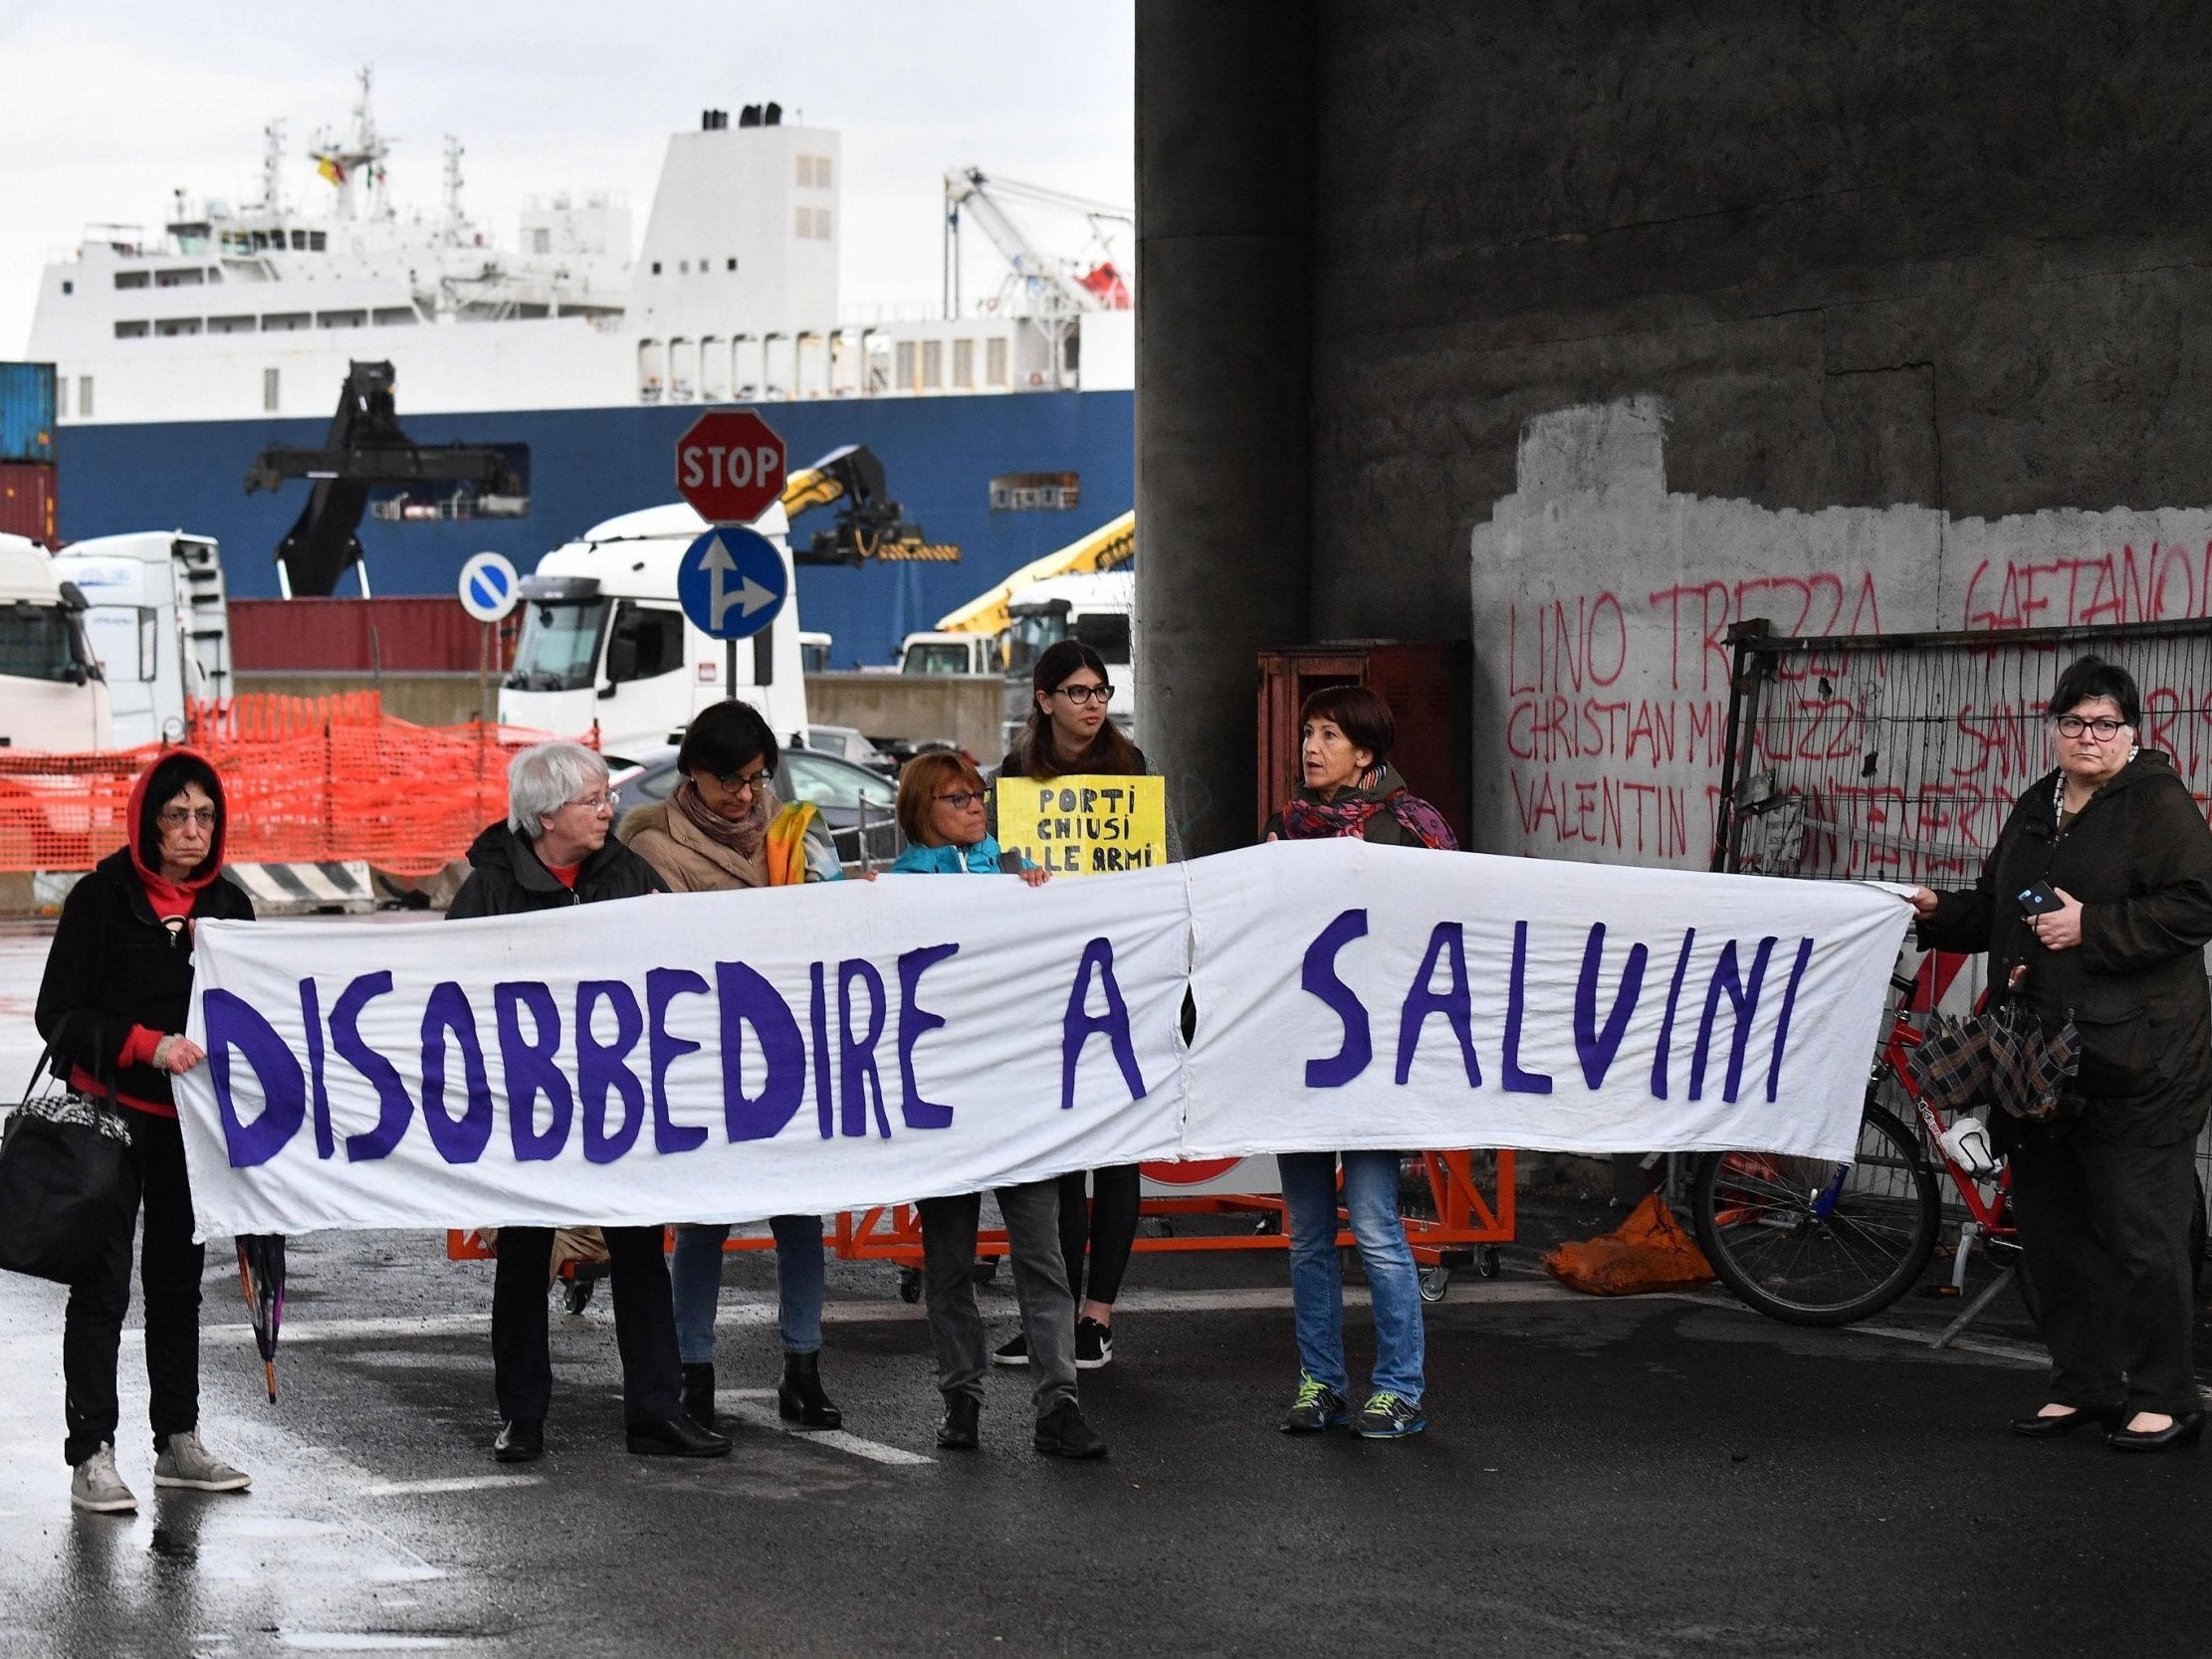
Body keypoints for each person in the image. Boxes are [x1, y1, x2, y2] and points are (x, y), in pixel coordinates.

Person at [1910, 655, 2211, 1452]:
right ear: (2053, 728)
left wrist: (2096, 928)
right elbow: (2004, 909)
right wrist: (1940, 911)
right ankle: (2081, 1385)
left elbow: (2194, 906)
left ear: (2132, 733)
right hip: (2040, 1060)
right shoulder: (2035, 806)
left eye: (2105, 722)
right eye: (2074, 720)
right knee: (2053, 1230)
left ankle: (2163, 1394)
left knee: (2140, 1231)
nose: (2088, 735)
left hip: (2138, 1060)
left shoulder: (2156, 803)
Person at [449, 740, 730, 1463]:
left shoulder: (628, 875)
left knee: (639, 1249)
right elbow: (451, 993)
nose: (610, 809)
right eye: (594, 799)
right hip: (528, 1105)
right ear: (546, 816)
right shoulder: (487, 890)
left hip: (617, 1098)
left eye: (607, 796)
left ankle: (655, 1410)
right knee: (523, 1256)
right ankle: (521, 1413)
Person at [35, 749, 257, 1514]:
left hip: (188, 1133)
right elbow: (57, 1015)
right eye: (176, 816)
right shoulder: (100, 900)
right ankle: (91, 1451)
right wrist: (145, 1043)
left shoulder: (231, 907)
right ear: (146, 822)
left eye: (205, 816)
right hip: (108, 1120)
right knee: (99, 1287)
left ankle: (178, 1441)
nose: (193, 831)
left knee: (176, 1288)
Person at [618, 699, 845, 1432]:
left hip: (787, 1045)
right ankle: (694, 1373)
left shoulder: (790, 828)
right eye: (730, 782)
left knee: (800, 1215)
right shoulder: (654, 848)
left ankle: (803, 1368)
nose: (747, 794)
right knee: (705, 1218)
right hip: (705, 1053)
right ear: (691, 773)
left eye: (756, 778)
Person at [888, 749, 1107, 1458]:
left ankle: (1059, 1402)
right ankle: (962, 1395)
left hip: (1016, 1092)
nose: (974, 806)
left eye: (977, 794)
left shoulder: (1016, 871)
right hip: (947, 1096)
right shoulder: (897, 889)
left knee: (1041, 1255)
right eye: (956, 797)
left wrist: (1035, 892)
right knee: (948, 1261)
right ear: (923, 809)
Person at [1263, 684, 1457, 1439]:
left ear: (1367, 753)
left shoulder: (1411, 828)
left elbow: (1448, 927)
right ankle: (1319, 1382)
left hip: (1377, 1060)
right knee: (1308, 1231)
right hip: (1301, 1053)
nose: (1311, 747)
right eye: (1308, 733)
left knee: (1375, 1223)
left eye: (1329, 736)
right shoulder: (1288, 827)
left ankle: (1400, 1387)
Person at [991, 640, 1156, 1372]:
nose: (1094, 703)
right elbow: (998, 867)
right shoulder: (1015, 774)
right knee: (1056, 1154)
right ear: (1044, 699)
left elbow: (1148, 866)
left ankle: (1097, 1316)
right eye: (1079, 690)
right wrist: (1014, 872)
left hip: (1120, 974)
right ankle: (1051, 1314)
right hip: (1045, 977)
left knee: (1115, 1150)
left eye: (1101, 690)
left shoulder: (1131, 767)